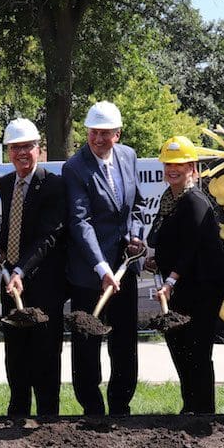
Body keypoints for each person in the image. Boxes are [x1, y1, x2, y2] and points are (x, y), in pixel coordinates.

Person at [63, 101, 145, 416]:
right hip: (89, 271)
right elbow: (80, 222)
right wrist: (101, 268)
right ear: (87, 132)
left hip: (124, 269)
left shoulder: (129, 156)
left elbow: (136, 205)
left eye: (105, 134)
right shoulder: (75, 167)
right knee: (87, 340)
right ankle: (92, 406)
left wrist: (135, 235)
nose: (98, 139)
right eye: (93, 133)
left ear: (117, 134)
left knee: (124, 340)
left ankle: (121, 403)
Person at [146, 137, 224, 413]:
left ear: (192, 168)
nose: (173, 169)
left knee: (197, 349)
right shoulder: (169, 198)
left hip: (203, 286)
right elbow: (164, 238)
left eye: (180, 165)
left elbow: (190, 247)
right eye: (169, 164)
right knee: (179, 344)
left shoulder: (194, 200)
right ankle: (190, 406)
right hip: (183, 285)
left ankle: (203, 411)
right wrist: (155, 258)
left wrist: (170, 280)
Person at [0, 118, 67, 416]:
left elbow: (48, 236)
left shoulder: (54, 185)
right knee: (16, 351)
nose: (22, 153)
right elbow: (12, 225)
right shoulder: (4, 184)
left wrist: (21, 270)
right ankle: (18, 410)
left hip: (44, 284)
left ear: (39, 149)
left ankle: (48, 415)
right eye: (15, 148)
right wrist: (0, 248)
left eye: (27, 146)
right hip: (11, 283)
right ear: (9, 152)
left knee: (46, 352)